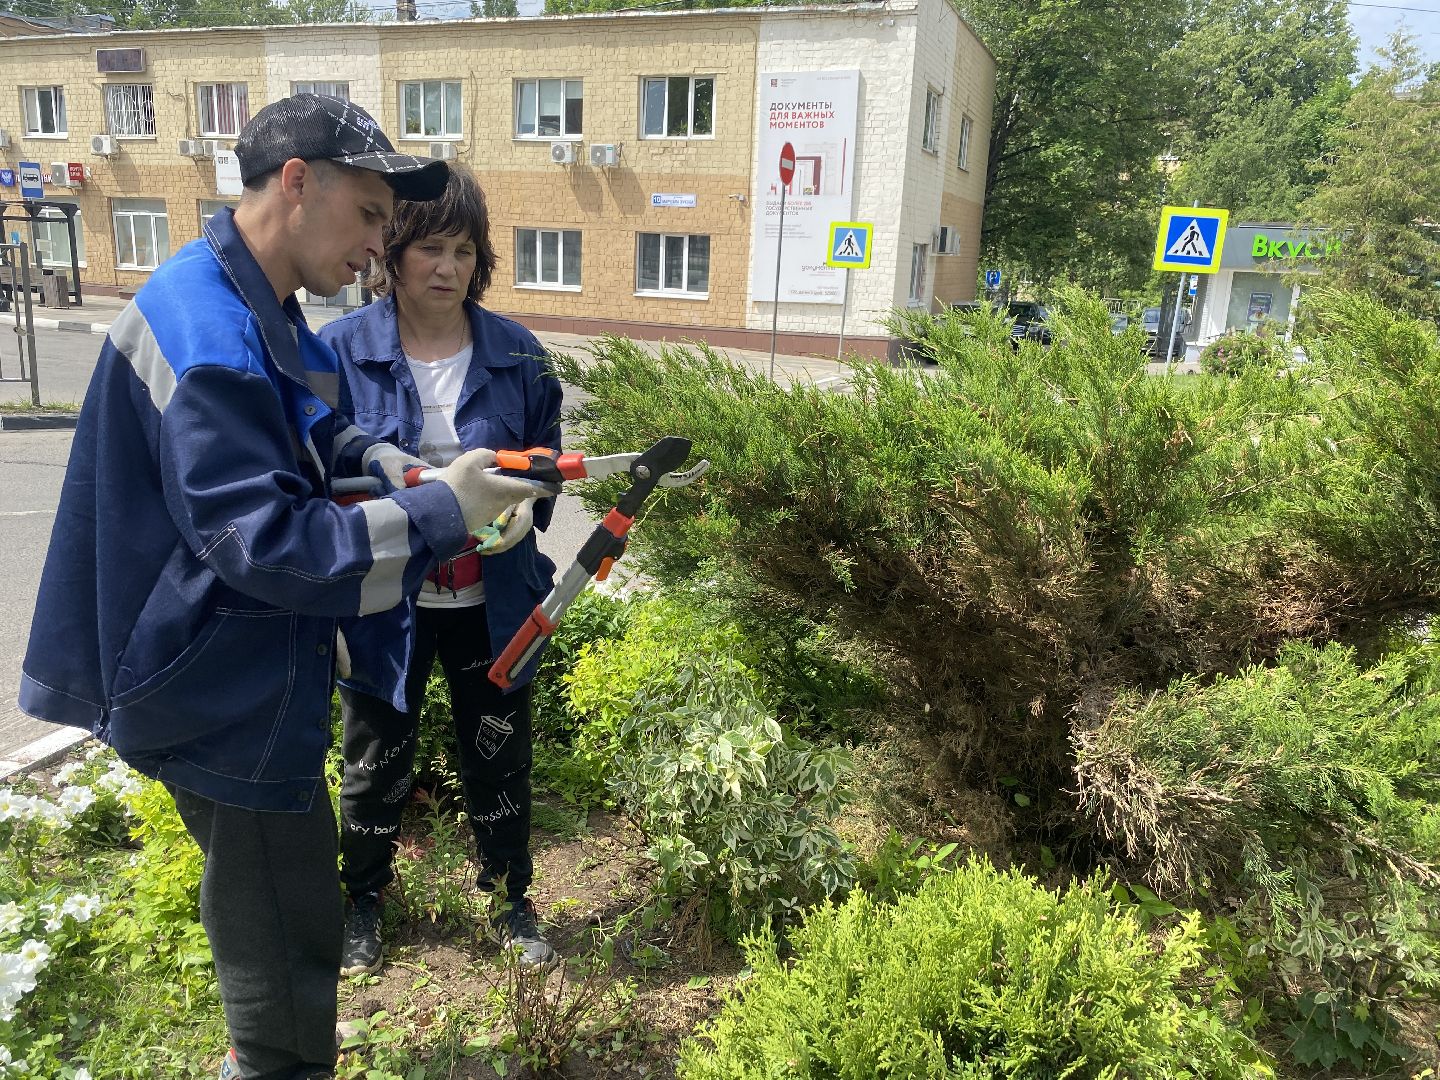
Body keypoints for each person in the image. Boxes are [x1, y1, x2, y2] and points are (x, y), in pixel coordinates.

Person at [18, 95, 550, 1080]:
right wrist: (445, 513)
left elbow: (300, 422)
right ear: (297, 183)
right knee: (286, 972)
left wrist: (389, 465)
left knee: (276, 932)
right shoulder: (209, 334)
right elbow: (267, 543)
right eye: (370, 216)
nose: (380, 246)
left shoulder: (242, 297)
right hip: (218, 693)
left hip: (235, 670)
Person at [320, 163, 564, 974]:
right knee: (374, 756)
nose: (447, 268)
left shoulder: (519, 356)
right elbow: (315, 470)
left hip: (493, 602)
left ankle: (510, 901)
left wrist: (531, 504)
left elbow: (548, 465)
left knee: (499, 752)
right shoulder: (340, 354)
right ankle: (361, 903)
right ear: (390, 252)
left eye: (463, 249)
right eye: (429, 247)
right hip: (383, 599)